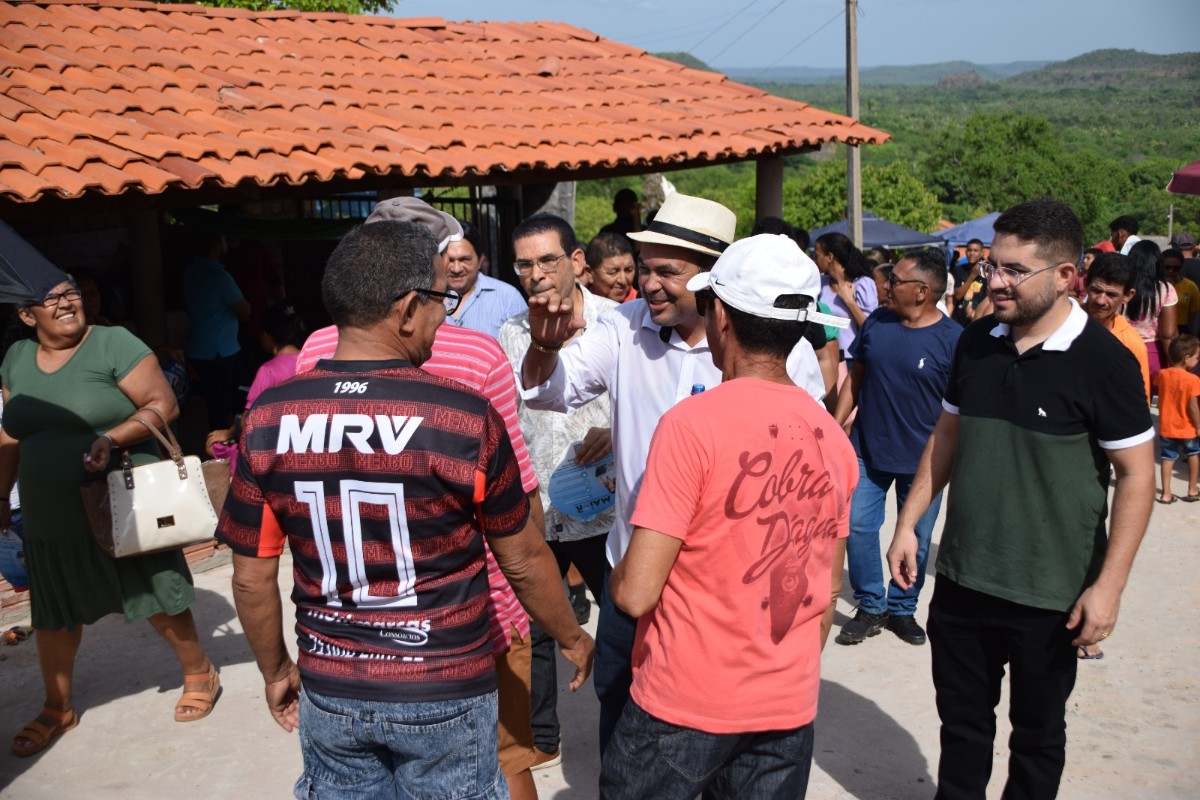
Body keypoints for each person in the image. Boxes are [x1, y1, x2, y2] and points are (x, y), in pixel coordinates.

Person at [217, 220, 594, 800]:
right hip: (442, 683)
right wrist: (569, 635)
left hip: (331, 684)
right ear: (408, 308)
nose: (446, 319)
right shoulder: (462, 420)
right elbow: (520, 558)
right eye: (441, 303)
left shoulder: (268, 417)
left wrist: (275, 671)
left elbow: (251, 574)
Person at [518, 193, 830, 756]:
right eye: (644, 268)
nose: (650, 284)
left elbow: (807, 464)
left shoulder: (780, 351)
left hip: (726, 590)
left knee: (718, 742)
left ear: (716, 281)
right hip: (631, 579)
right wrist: (544, 343)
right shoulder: (624, 326)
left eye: (668, 271)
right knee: (622, 722)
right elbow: (548, 390)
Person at [887, 198, 1155, 799]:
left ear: (1066, 276)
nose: (996, 281)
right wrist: (908, 523)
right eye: (994, 267)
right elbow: (947, 434)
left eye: (1014, 270)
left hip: (1050, 592)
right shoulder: (978, 340)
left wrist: (1107, 588)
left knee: (1036, 736)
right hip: (962, 579)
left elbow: (1137, 476)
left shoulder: (1105, 362)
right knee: (962, 729)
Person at [294, 197, 550, 800]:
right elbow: (520, 507)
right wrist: (548, 616)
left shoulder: (315, 351)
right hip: (469, 614)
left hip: (346, 625)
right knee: (504, 764)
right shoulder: (479, 355)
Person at [599, 234, 857, 799]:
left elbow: (637, 593)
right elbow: (826, 591)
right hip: (786, 705)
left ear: (720, 317)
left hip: (685, 700)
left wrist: (615, 566)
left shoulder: (693, 425)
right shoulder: (831, 439)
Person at [1, 273, 219, 757]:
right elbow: (9, 436)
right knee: (54, 610)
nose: (65, 303)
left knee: (153, 592)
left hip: (115, 501)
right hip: (47, 512)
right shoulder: (15, 359)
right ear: (25, 314)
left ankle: (199, 671)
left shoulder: (112, 343)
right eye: (50, 296)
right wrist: (0, 499)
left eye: (71, 292)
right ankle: (58, 707)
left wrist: (110, 438)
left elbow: (163, 404)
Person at [498, 213, 617, 770]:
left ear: (576, 263)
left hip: (607, 510)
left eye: (548, 259)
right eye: (525, 263)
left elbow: (656, 406)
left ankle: (625, 739)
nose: (537, 273)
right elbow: (507, 417)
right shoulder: (509, 334)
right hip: (538, 509)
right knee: (540, 630)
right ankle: (542, 738)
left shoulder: (620, 324)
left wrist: (617, 429)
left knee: (622, 628)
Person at [833, 249, 961, 647]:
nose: (885, 285)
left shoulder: (954, 341)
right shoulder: (876, 323)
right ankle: (872, 605)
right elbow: (856, 376)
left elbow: (960, 411)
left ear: (922, 292)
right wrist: (835, 425)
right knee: (857, 526)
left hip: (924, 465)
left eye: (895, 280)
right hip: (867, 451)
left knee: (917, 537)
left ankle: (903, 608)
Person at [205, 303, 308, 473]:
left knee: (213, 446)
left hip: (275, 449)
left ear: (267, 336)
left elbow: (248, 420)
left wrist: (228, 433)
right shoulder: (313, 361)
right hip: (306, 442)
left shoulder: (268, 371)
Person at [182, 229, 251, 429]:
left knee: (214, 403)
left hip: (198, 347)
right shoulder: (219, 276)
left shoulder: (189, 271)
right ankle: (225, 450)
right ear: (216, 246)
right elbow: (244, 309)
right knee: (227, 404)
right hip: (220, 350)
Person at [437, 214, 526, 338]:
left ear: (480, 261)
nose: (456, 269)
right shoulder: (426, 298)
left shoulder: (508, 299)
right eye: (450, 260)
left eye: (464, 260)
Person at [1083, 252, 1151, 404]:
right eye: (1096, 290)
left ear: (1128, 296)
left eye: (1111, 295)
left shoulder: (1131, 344)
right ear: (1085, 284)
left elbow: (1138, 404)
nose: (1101, 301)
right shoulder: (1058, 323)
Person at [813, 231, 877, 364]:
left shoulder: (862, 284)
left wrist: (850, 302)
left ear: (829, 257)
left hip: (851, 360)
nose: (815, 259)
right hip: (825, 357)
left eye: (817, 255)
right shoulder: (820, 283)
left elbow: (871, 328)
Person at [1125, 239, 1177, 393]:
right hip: (1153, 354)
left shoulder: (1122, 285)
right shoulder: (1165, 289)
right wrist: (1175, 365)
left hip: (1121, 348)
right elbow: (1168, 334)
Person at [1154, 335, 1200, 504]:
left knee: (1167, 457)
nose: (1197, 361)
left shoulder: (1162, 374)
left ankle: (1166, 493)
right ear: (1186, 358)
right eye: (1197, 357)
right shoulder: (1193, 380)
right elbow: (1193, 407)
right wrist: (1199, 426)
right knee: (1193, 454)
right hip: (1187, 428)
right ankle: (1193, 489)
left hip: (1167, 426)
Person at [585, 232, 637, 303]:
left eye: (628, 270)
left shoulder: (643, 307)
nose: (623, 281)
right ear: (589, 273)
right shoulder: (578, 305)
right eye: (613, 272)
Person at [1163, 248, 1199, 334]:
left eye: (1175, 268)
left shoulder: (1190, 286)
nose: (1170, 271)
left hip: (1183, 328)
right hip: (1161, 326)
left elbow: (1194, 314)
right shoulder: (1156, 285)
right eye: (1166, 267)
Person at [951, 239, 986, 326]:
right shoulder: (958, 270)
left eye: (975, 250)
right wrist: (972, 277)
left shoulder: (987, 273)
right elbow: (958, 296)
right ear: (966, 252)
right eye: (969, 250)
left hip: (978, 321)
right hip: (959, 321)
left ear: (982, 253)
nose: (972, 253)